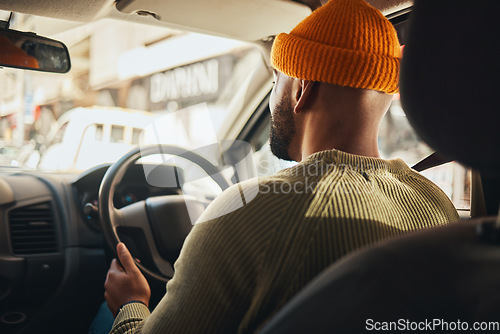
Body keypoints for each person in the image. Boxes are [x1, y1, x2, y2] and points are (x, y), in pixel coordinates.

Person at [103, 0, 460, 333]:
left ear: (301, 88)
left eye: (277, 80)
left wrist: (131, 305)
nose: (276, 92)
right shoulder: (437, 205)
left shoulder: (246, 213)